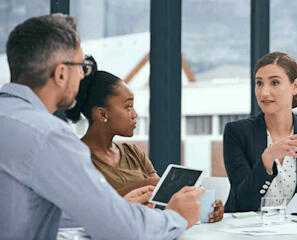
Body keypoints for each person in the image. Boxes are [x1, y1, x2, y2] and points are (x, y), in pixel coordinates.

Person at [0, 14, 205, 240]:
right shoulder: (48, 135)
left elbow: (26, 209)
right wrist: (177, 217)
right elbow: (123, 231)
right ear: (60, 73)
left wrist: (115, 207)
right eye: (81, 67)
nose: (82, 76)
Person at [64, 57, 224, 222]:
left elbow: (161, 200)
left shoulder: (132, 152)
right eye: (128, 106)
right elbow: (89, 208)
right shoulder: (77, 157)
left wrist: (205, 207)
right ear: (103, 114)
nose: (135, 114)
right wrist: (144, 184)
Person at [223, 52, 297, 212]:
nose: (264, 92)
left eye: (275, 82)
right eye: (259, 83)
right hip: (245, 230)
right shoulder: (236, 132)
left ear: (295, 86)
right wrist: (267, 159)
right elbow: (243, 202)